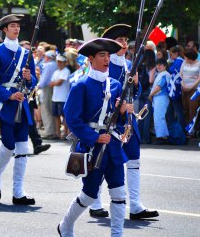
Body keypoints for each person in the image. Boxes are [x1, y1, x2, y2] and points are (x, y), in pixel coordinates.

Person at [59, 38, 127, 236]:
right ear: (91, 59)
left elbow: (119, 120)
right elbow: (72, 118)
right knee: (89, 195)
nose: (107, 59)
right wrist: (94, 138)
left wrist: (123, 112)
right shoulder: (81, 85)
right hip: (92, 148)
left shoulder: (115, 85)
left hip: (112, 146)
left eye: (108, 55)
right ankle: (65, 225)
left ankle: (117, 234)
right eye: (102, 55)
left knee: (119, 194)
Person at [89, 24, 158, 220]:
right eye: (120, 41)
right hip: (110, 121)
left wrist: (135, 82)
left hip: (127, 120)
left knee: (134, 160)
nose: (124, 44)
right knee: (102, 160)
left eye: (126, 41)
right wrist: (119, 107)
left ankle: (135, 205)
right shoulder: (104, 65)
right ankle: (94, 202)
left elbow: (134, 94)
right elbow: (99, 93)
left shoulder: (129, 64)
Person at [0, 14, 37, 205]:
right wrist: (8, 95)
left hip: (22, 104)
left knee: (22, 148)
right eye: (12, 26)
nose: (16, 29)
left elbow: (34, 82)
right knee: (8, 145)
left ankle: (18, 192)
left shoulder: (26, 53)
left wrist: (30, 78)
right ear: (5, 29)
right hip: (5, 104)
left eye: (18, 26)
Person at [149, 59, 171, 144]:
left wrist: (151, 95)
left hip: (161, 97)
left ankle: (162, 136)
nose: (158, 66)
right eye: (157, 64)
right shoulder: (162, 74)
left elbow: (159, 86)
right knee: (159, 117)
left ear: (165, 66)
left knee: (159, 117)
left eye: (160, 65)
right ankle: (162, 136)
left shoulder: (164, 74)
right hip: (159, 97)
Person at [50, 54, 70, 139]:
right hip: (55, 97)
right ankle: (57, 133)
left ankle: (65, 133)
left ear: (65, 63)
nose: (60, 63)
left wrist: (55, 83)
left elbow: (58, 83)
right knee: (56, 116)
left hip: (63, 97)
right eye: (58, 62)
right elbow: (52, 83)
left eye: (61, 62)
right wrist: (55, 83)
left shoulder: (66, 71)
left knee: (64, 116)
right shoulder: (56, 72)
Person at [180, 48, 200, 126]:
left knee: (193, 109)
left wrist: (191, 87)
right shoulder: (184, 62)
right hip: (184, 88)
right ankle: (186, 127)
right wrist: (183, 85)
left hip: (194, 90)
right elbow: (180, 75)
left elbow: (199, 78)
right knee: (185, 109)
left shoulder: (198, 63)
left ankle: (191, 129)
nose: (185, 58)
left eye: (186, 57)